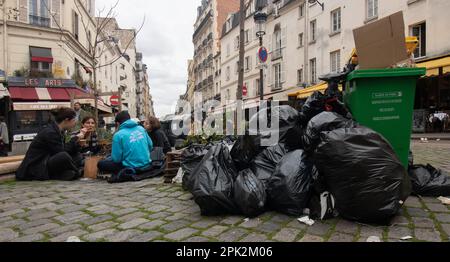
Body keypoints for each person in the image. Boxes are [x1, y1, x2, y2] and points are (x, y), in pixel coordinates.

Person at [16, 108, 88, 181]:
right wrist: (75, 138)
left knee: (77, 156)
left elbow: (65, 149)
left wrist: (78, 144)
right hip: (37, 166)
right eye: (73, 121)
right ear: (66, 120)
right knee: (63, 156)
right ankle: (76, 172)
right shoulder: (50, 132)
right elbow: (61, 151)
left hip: (47, 161)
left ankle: (65, 174)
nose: (75, 123)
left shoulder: (59, 130)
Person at [98, 111, 153, 176]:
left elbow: (117, 159)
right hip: (147, 165)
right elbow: (150, 146)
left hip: (131, 167)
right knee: (110, 158)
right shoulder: (141, 129)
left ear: (118, 123)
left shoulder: (118, 135)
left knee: (101, 164)